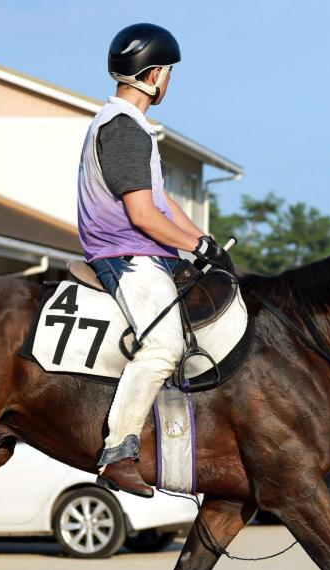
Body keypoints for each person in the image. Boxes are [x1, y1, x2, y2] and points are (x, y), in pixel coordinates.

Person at [77, 22, 229, 497]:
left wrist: (204, 242)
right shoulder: (122, 129)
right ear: (156, 74)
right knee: (163, 346)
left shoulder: (134, 128)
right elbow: (142, 216)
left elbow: (162, 204)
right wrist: (194, 246)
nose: (170, 81)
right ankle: (119, 451)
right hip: (125, 254)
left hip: (144, 249)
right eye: (169, 73)